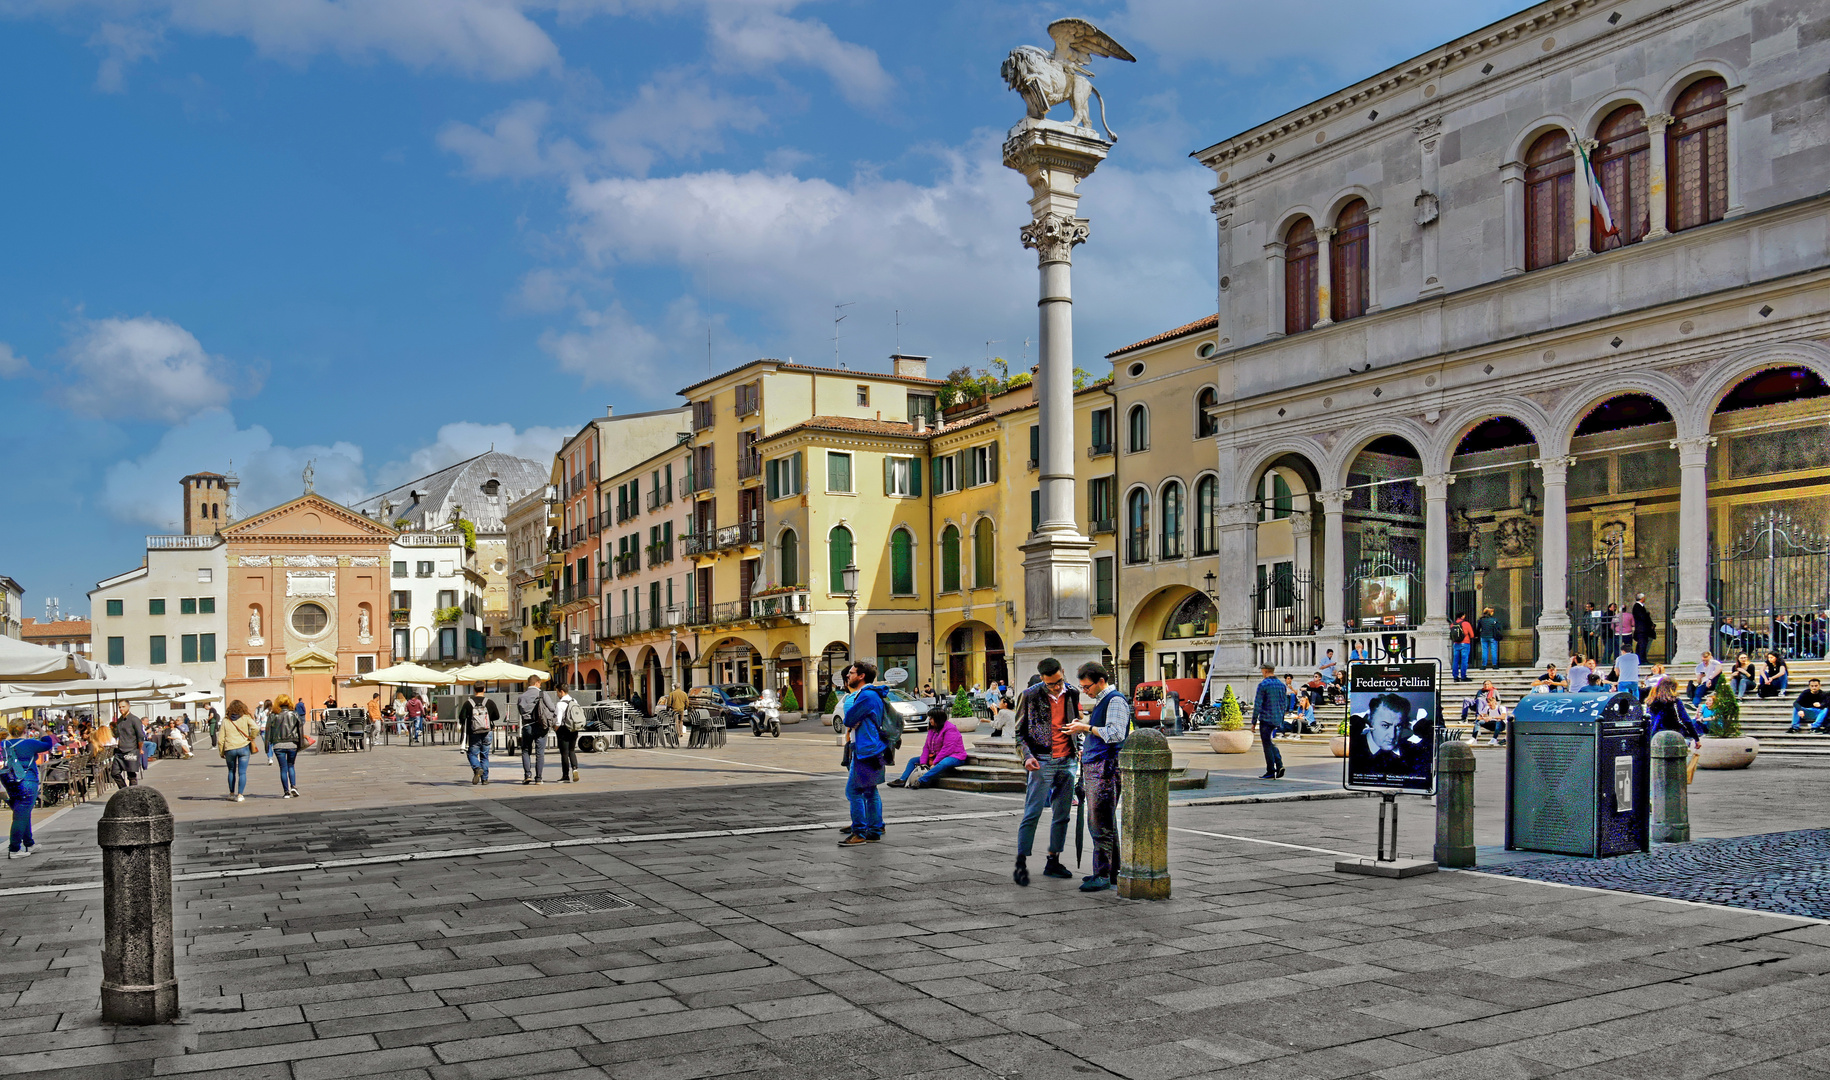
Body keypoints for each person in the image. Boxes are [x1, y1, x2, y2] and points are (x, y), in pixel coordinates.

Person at [1011, 658, 1078, 883]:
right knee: (1033, 812)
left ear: (1063, 672)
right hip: (1041, 761)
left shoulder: (1072, 692)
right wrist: (1026, 757)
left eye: (1059, 681)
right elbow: (1019, 734)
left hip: (1067, 760)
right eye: (1051, 684)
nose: (1057, 687)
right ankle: (1021, 862)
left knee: (1062, 815)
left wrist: (1078, 747)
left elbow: (1074, 722)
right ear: (1042, 679)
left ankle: (1053, 860)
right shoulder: (1029, 695)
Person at [1065, 661, 1129, 893]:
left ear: (1101, 681)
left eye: (1087, 686)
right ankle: (1111, 872)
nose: (1085, 691)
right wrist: (1084, 725)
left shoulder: (1115, 700)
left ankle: (1103, 874)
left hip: (1106, 768)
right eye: (1083, 687)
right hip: (1098, 766)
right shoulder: (1104, 700)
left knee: (1100, 824)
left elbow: (1115, 733)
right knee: (1104, 822)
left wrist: (1086, 729)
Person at [838, 661, 891, 846]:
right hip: (873, 747)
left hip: (866, 749)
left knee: (853, 791)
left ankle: (859, 832)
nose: (848, 676)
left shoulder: (866, 696)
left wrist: (852, 721)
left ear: (861, 676)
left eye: (851, 673)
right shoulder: (873, 694)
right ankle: (875, 829)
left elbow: (849, 719)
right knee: (870, 790)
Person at [3, 721, 56, 859]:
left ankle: (29, 843)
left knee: (22, 811)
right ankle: (14, 849)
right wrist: (39, 729)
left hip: (9, 781)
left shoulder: (3, 744)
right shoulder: (29, 743)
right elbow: (47, 743)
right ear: (25, 730)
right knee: (20, 815)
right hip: (27, 781)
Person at [889, 706, 967, 790]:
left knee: (943, 763)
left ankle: (921, 781)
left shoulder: (950, 729)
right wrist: (923, 763)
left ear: (938, 719)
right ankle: (902, 780)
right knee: (913, 761)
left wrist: (935, 762)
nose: (930, 720)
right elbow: (926, 747)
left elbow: (947, 749)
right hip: (935, 755)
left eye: (931, 718)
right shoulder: (932, 729)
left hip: (955, 756)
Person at [218, 700, 260, 803]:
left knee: (231, 771)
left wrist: (221, 751)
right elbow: (256, 727)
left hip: (230, 748)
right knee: (242, 772)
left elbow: (220, 739)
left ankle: (232, 794)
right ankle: (240, 795)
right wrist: (251, 737)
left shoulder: (226, 720)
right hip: (243, 747)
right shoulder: (245, 717)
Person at [516, 676, 554, 784]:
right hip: (541, 726)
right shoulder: (542, 694)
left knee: (525, 751)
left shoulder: (521, 697)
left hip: (527, 726)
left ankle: (527, 774)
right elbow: (552, 708)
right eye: (540, 683)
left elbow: (520, 712)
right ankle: (538, 778)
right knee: (540, 753)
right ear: (537, 683)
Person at [1252, 664, 1287, 780]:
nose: (1262, 673)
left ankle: (1271, 770)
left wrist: (1253, 721)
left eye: (1262, 671)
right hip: (1277, 718)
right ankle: (1279, 764)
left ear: (1266, 671)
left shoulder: (1263, 685)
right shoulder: (1281, 685)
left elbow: (1258, 704)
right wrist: (1281, 718)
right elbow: (1284, 703)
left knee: (1266, 744)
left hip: (1266, 718)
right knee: (1269, 742)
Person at [460, 685, 499, 784]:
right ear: (484, 689)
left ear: (474, 690)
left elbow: (462, 717)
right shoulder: (489, 702)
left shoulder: (468, 703)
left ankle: (477, 768)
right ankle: (485, 779)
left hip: (474, 732)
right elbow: (497, 716)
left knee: (472, 753)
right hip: (487, 731)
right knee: (484, 755)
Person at [1645, 679, 1702, 744]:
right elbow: (1686, 720)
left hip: (1656, 735)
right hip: (1675, 733)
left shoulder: (1651, 702)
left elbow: (1650, 721)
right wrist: (1696, 738)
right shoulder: (1675, 701)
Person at [267, 698, 302, 799]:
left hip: (278, 745)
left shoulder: (273, 715)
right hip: (292, 744)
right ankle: (294, 786)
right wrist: (300, 744)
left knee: (283, 768)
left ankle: (286, 792)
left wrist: (267, 746)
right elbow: (300, 729)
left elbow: (268, 730)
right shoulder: (294, 714)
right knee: (291, 765)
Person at [112, 702, 145, 788]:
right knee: (114, 773)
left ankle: (132, 794)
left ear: (128, 706)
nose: (121, 709)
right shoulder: (119, 720)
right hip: (120, 750)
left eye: (123, 707)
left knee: (131, 775)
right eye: (119, 707)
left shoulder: (134, 719)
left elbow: (140, 736)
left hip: (131, 749)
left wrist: (140, 748)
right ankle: (124, 790)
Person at [553, 685, 581, 783]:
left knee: (564, 753)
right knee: (572, 750)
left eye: (557, 692)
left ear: (561, 692)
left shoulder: (560, 704)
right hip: (574, 729)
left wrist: (555, 729)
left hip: (563, 730)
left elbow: (558, 721)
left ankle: (565, 776)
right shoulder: (574, 701)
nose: (557, 694)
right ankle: (575, 769)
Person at [1631, 593, 1654, 662]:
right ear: (1642, 598)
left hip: (1643, 629)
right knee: (1642, 645)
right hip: (1641, 629)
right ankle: (1641, 659)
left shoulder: (1640, 606)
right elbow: (1642, 617)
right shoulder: (1637, 606)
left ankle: (1642, 659)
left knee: (1642, 644)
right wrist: (1647, 615)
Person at [1450, 612, 1472, 682]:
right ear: (1462, 616)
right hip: (1465, 643)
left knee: (1455, 660)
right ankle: (1463, 676)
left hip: (1456, 643)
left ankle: (1455, 677)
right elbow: (1472, 635)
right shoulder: (1466, 624)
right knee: (1464, 660)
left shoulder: (1452, 624)